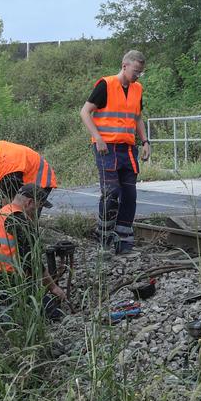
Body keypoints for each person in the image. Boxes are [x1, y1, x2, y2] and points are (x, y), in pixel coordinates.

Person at [80, 49, 147, 254]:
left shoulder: (137, 89)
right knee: (111, 193)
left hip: (127, 149)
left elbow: (137, 117)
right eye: (135, 71)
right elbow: (85, 112)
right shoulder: (105, 85)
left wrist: (145, 141)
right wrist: (98, 138)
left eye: (140, 72)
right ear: (124, 65)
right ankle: (104, 239)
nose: (137, 75)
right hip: (106, 148)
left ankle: (123, 242)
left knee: (129, 194)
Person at [0, 183, 66, 318]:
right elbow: (34, 263)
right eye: (39, 207)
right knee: (53, 313)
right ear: (30, 202)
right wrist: (53, 288)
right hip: (0, 279)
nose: (37, 212)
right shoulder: (19, 220)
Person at [0, 138, 59, 213]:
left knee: (27, 213)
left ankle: (30, 235)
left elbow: (7, 205)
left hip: (41, 177)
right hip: (22, 172)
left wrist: (0, 220)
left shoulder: (8, 170)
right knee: (17, 211)